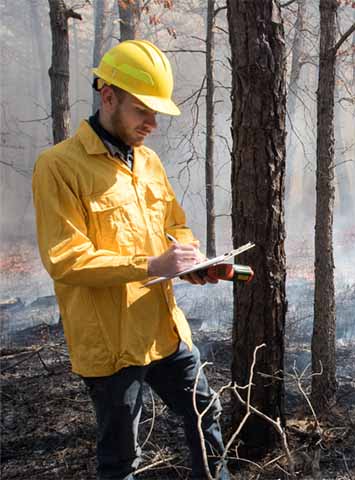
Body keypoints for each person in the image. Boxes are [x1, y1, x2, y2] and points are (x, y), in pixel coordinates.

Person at [32, 40, 230, 480]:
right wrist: (151, 266)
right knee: (121, 458)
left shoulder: (150, 163)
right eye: (143, 110)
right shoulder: (58, 167)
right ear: (109, 97)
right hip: (111, 343)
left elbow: (175, 226)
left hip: (163, 329)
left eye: (156, 113)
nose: (153, 123)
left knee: (204, 416)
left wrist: (191, 261)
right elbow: (65, 258)